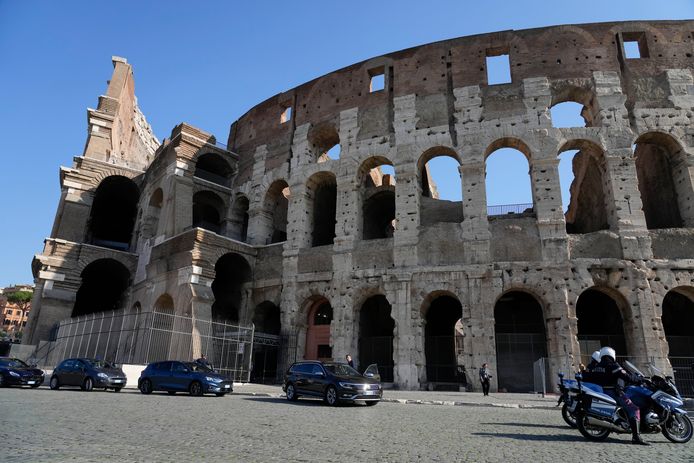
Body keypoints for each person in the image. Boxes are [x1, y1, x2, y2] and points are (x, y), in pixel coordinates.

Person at [590, 346, 648, 445]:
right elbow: (627, 377)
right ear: (612, 355)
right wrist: (640, 379)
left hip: (602, 392)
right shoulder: (613, 365)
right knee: (634, 409)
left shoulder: (596, 367)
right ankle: (636, 437)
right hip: (614, 392)